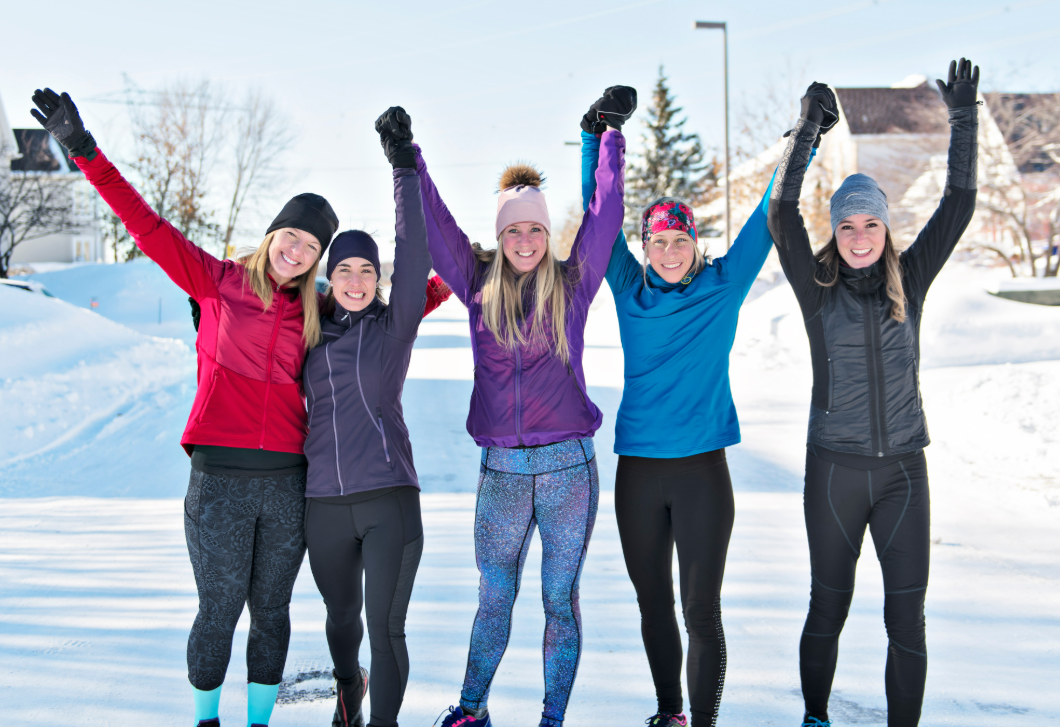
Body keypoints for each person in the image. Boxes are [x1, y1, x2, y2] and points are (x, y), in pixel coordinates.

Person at [30, 88, 335, 727]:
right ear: (274, 232)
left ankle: (258, 722)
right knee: (218, 608)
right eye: (293, 237)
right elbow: (146, 225)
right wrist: (84, 152)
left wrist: (459, 274)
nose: (297, 252)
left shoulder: (319, 308)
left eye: (311, 247)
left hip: (287, 484)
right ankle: (205, 720)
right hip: (219, 482)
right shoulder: (216, 280)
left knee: (273, 612)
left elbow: (388, 312)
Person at [580, 97, 818, 727]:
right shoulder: (628, 289)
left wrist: (805, 137)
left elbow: (769, 217)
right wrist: (595, 138)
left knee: (700, 608)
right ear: (646, 244)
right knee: (652, 604)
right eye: (658, 241)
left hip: (702, 475)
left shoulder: (722, 287)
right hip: (638, 473)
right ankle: (670, 714)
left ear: (694, 242)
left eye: (679, 240)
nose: (668, 252)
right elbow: (599, 221)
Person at [402, 86, 636, 727]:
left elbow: (604, 215)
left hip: (568, 473)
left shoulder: (573, 283)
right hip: (501, 474)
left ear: (546, 232)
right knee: (494, 597)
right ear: (500, 234)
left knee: (560, 600)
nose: (527, 239)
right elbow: (438, 224)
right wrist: (409, 157)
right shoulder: (476, 285)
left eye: (535, 228)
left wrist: (609, 136)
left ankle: (552, 718)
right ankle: (473, 708)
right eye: (514, 229)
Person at [765, 63, 980, 727]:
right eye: (849, 225)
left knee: (905, 617)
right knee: (828, 605)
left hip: (901, 475)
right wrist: (807, 133)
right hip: (833, 469)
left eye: (871, 225)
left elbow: (959, 204)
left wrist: (965, 121)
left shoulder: (910, 278)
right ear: (838, 230)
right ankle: (816, 717)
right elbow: (781, 212)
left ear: (886, 230)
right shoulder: (816, 284)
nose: (859, 236)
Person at [301, 107, 431, 727]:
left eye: (366, 271)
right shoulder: (307, 333)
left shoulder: (394, 325)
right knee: (341, 625)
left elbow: (415, 248)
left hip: (388, 501)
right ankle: (348, 696)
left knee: (385, 628)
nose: (356, 280)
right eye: (344, 270)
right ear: (329, 278)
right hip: (322, 505)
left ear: (378, 279)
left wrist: (402, 164)